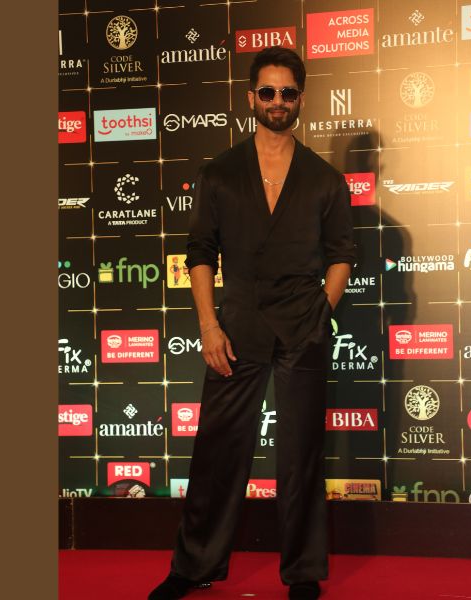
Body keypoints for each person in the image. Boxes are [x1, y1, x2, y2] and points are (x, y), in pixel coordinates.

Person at [149, 46, 356, 600]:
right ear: (251, 98)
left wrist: (322, 311)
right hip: (235, 329)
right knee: (218, 450)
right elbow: (200, 252)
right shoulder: (218, 173)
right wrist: (208, 326)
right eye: (268, 92)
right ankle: (193, 566)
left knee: (301, 455)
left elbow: (342, 254)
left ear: (301, 99)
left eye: (288, 92)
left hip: (302, 330)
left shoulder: (325, 180)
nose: (277, 101)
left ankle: (303, 572)